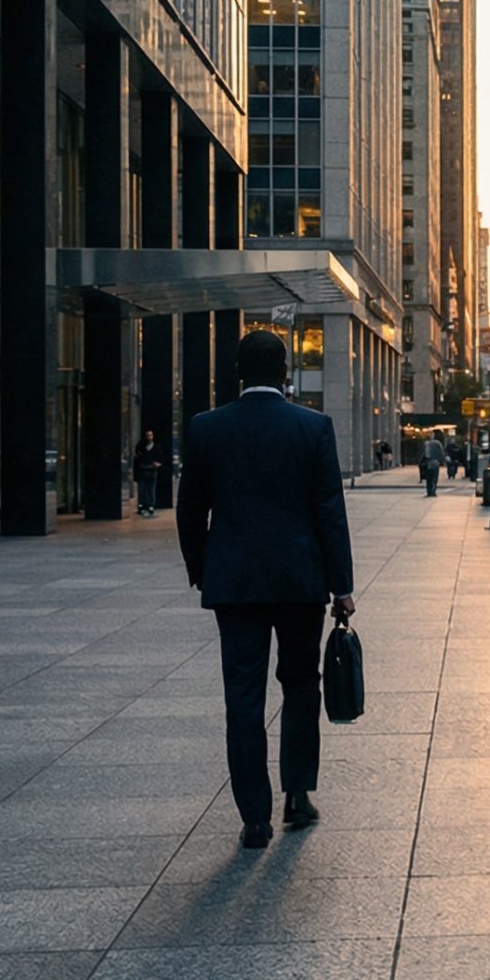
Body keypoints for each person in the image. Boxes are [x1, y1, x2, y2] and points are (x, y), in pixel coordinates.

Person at [176, 331, 355, 850]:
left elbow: (191, 510)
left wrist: (201, 570)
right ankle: (297, 795)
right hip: (301, 582)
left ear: (237, 372)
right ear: (284, 373)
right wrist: (341, 586)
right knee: (301, 683)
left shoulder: (207, 428)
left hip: (234, 584)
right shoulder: (313, 427)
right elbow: (330, 514)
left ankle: (254, 817)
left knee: (243, 697)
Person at [133, 428, 166, 518]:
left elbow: (161, 459)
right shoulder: (141, 447)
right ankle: (142, 505)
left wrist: (157, 464)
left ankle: (150, 506)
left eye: (150, 435)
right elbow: (136, 458)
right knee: (142, 489)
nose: (149, 437)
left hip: (152, 470)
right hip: (142, 469)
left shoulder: (156, 447)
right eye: (147, 435)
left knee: (151, 489)